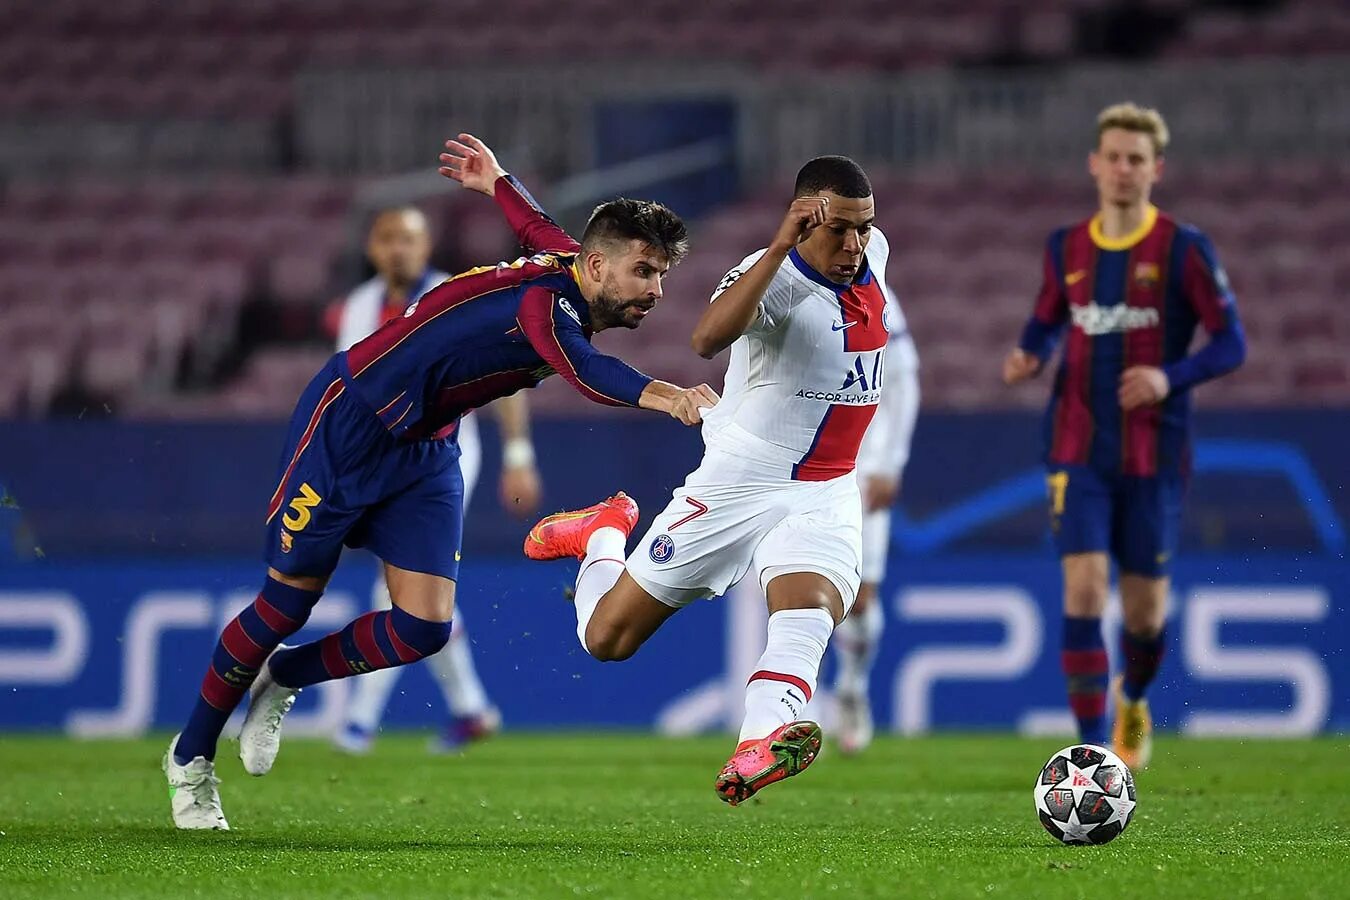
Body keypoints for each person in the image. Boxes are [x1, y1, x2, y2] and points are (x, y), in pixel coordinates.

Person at [162, 133, 718, 830]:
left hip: (425, 451)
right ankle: (190, 760)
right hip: (349, 428)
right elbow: (587, 372)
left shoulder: (569, 263)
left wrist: (498, 181)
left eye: (662, 275)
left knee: (423, 629)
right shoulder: (547, 308)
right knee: (282, 609)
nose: (657, 292)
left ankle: (285, 676)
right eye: (645, 272)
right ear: (598, 264)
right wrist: (670, 397)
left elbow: (535, 223)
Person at [526, 156, 893, 805]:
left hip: (828, 487)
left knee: (809, 609)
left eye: (863, 228)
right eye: (838, 230)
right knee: (606, 639)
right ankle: (602, 537)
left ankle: (758, 743)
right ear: (804, 220)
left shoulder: (873, 253)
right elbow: (704, 338)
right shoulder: (773, 279)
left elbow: (865, 255)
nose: (854, 245)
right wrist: (779, 248)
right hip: (740, 480)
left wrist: (854, 237)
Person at [1002, 103, 1246, 770]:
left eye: (1136, 159)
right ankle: (1090, 750)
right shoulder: (1066, 247)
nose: (1122, 168)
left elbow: (1232, 342)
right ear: (1094, 163)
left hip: (1154, 453)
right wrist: (1029, 353)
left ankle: (1133, 700)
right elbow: (1048, 317)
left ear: (1156, 169)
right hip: (1075, 445)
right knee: (1082, 590)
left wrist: (1170, 377)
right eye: (1112, 155)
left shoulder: (1183, 249)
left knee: (1144, 615)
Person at [331, 206, 543, 755]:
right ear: (372, 248)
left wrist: (518, 452)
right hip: (383, 461)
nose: (398, 248)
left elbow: (506, 374)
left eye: (409, 238)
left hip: (445, 458)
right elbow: (352, 389)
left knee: (397, 584)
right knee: (422, 594)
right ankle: (471, 709)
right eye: (387, 238)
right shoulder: (358, 307)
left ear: (427, 248)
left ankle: (357, 723)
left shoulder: (456, 295)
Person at [832, 287, 919, 754]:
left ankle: (851, 689)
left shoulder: (878, 296)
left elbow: (905, 380)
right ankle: (786, 706)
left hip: (862, 471)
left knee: (859, 599)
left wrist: (891, 461)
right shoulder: (787, 285)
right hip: (799, 467)